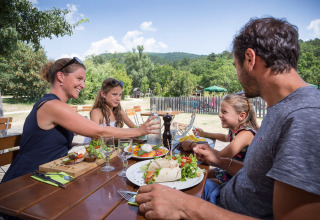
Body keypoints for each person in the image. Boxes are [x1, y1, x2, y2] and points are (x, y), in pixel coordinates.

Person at [135, 17, 320, 219]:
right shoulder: (281, 107)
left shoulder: (304, 116)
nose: (237, 75)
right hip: (221, 196)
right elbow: (258, 179)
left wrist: (185, 207)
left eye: (235, 66)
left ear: (250, 59)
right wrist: (220, 160)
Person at [1, 57, 158, 183]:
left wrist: (80, 148)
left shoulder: (57, 104)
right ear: (61, 76)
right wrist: (139, 130)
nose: (83, 85)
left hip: (50, 175)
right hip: (24, 183)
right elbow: (99, 131)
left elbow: (51, 144)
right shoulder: (52, 105)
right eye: (79, 79)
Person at [181, 93, 259, 184]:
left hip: (239, 178)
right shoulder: (235, 130)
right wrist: (204, 134)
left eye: (224, 112)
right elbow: (225, 137)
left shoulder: (245, 134)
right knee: (199, 174)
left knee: (200, 182)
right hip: (230, 170)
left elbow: (220, 156)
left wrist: (192, 145)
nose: (220, 115)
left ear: (241, 116)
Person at [83, 77, 136, 144]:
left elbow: (133, 127)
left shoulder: (118, 110)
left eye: (120, 95)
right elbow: (96, 137)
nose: (118, 98)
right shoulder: (97, 112)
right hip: (96, 150)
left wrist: (142, 129)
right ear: (103, 94)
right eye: (114, 94)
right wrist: (124, 138)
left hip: (110, 148)